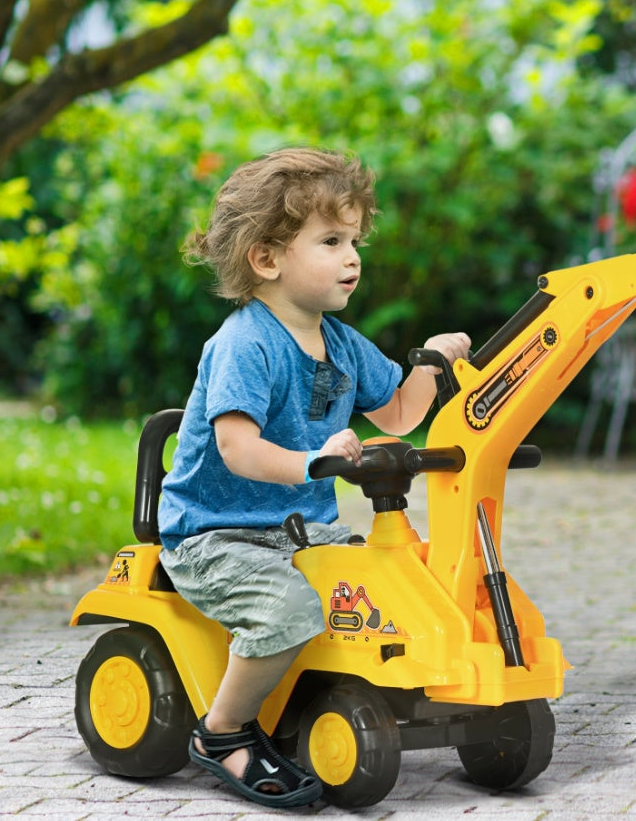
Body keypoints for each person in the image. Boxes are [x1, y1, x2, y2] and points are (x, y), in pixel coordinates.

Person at [157, 147, 470, 808]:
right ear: (267, 259)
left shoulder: (345, 344)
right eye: (331, 240)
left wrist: (433, 362)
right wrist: (312, 460)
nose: (353, 256)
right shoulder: (247, 343)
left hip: (300, 533)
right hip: (218, 536)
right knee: (291, 610)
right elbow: (238, 448)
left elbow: (400, 412)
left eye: (354, 239)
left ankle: (370, 697)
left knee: (391, 584)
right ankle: (223, 732)